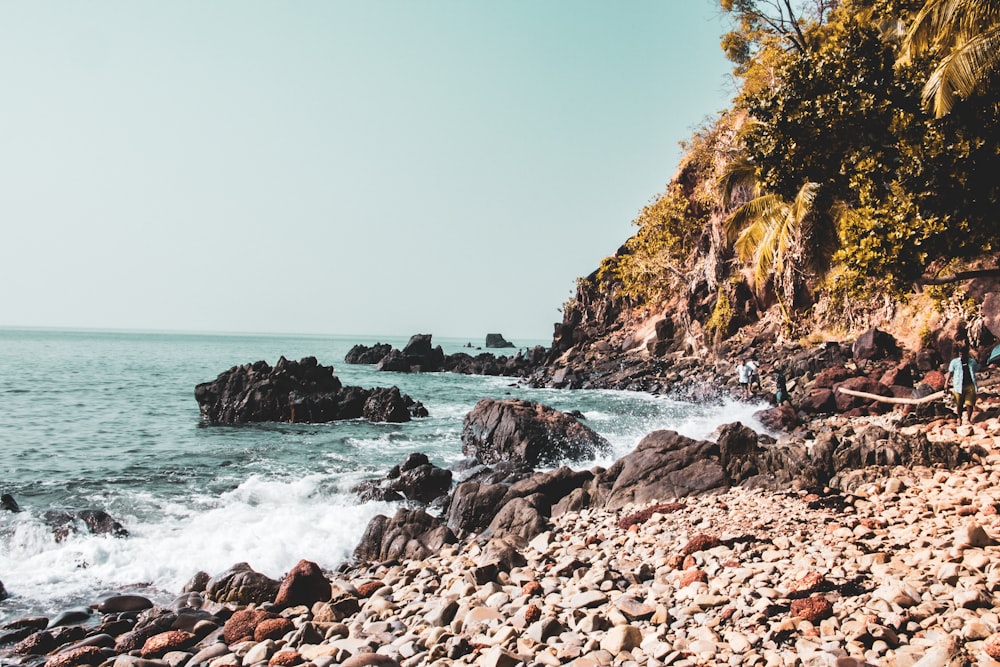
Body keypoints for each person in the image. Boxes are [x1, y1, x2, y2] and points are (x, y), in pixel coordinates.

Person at [946, 346, 980, 424]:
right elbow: (950, 373)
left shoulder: (972, 362)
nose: (961, 356)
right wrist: (946, 383)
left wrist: (989, 367)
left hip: (970, 385)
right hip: (958, 386)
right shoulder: (954, 362)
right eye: (960, 354)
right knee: (959, 404)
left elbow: (978, 369)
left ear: (967, 354)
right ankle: (960, 419)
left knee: (970, 403)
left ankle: (968, 419)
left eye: (963, 355)